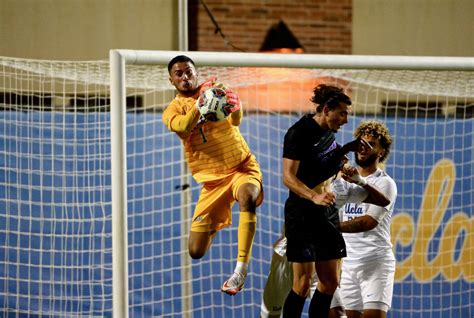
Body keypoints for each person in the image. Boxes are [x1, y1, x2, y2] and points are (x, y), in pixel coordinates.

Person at [162, 55, 264, 295]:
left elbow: (236, 121)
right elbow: (184, 127)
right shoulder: (172, 111)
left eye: (188, 72)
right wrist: (200, 105)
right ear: (171, 80)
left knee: (247, 196)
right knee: (196, 251)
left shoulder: (216, 90)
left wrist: (236, 106)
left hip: (242, 167)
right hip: (212, 183)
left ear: (196, 73)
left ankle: (240, 270)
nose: (185, 77)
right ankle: (217, 219)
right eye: (179, 74)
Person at [281, 84, 367, 318]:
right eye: (342, 113)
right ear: (327, 109)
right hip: (301, 212)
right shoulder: (298, 133)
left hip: (326, 212)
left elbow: (328, 156)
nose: (346, 120)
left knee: (330, 281)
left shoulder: (329, 131)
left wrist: (347, 151)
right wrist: (313, 195)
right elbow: (288, 177)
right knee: (302, 283)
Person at [260, 164, 391, 318]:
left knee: (329, 301)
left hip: (321, 252)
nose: (345, 163)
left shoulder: (344, 187)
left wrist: (360, 181)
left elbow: (383, 201)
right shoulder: (310, 177)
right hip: (290, 251)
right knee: (271, 313)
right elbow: (290, 182)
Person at [333, 120, 397, 318]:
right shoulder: (343, 182)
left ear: (381, 152)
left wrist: (330, 227)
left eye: (372, 145)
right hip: (349, 263)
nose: (364, 148)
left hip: (376, 263)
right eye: (362, 143)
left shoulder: (385, 183)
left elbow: (367, 222)